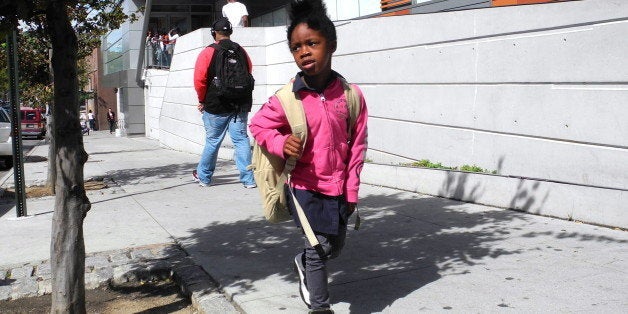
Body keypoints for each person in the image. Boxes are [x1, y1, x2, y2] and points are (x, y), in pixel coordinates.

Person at [249, 0, 368, 313]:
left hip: (338, 186)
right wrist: (280, 142)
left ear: (332, 45)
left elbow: (358, 145)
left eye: (312, 43)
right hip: (302, 185)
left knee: (334, 246)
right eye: (296, 47)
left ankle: (302, 264)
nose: (303, 51)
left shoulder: (350, 95)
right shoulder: (287, 97)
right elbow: (258, 125)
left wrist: (352, 192)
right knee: (317, 247)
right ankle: (319, 306)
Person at [192, 17, 256, 189]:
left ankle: (204, 177)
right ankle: (248, 180)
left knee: (213, 141)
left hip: (216, 104)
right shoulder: (241, 51)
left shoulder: (208, 52)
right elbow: (248, 72)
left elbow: (200, 80)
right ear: (230, 32)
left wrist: (202, 100)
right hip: (240, 105)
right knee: (241, 140)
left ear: (214, 33)